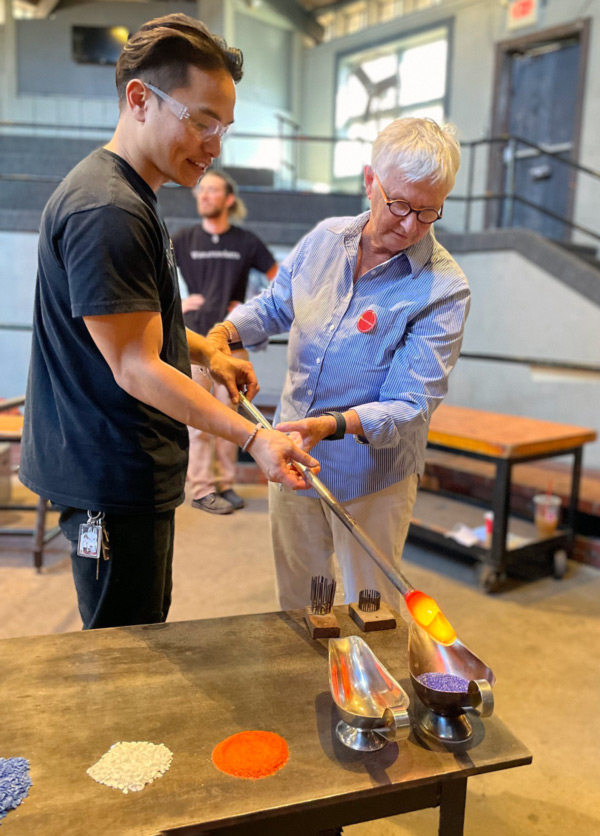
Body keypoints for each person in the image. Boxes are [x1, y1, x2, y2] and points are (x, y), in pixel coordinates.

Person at [19, 13, 318, 631]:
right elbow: (134, 364)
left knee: (143, 629)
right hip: (109, 475)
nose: (214, 146)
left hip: (123, 463)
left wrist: (209, 354)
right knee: (122, 652)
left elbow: (137, 326)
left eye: (224, 128)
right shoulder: (108, 207)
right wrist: (254, 437)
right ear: (139, 99)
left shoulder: (132, 196)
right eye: (202, 121)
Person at [208, 117, 470, 612]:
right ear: (370, 181)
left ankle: (372, 690)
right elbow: (276, 304)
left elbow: (411, 403)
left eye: (429, 211)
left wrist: (331, 424)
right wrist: (223, 334)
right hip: (292, 456)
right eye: (399, 204)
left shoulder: (444, 287)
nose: (411, 225)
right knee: (301, 603)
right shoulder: (325, 240)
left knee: (370, 611)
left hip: (374, 477)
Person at [173, 171, 277, 514]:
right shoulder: (183, 239)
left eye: (212, 190)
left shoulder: (246, 242)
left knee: (230, 417)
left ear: (228, 199)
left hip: (232, 342)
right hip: (194, 340)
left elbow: (281, 282)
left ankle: (227, 485)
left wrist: (248, 305)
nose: (204, 195)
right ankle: (202, 489)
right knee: (199, 420)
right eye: (201, 190)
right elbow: (151, 277)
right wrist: (176, 303)